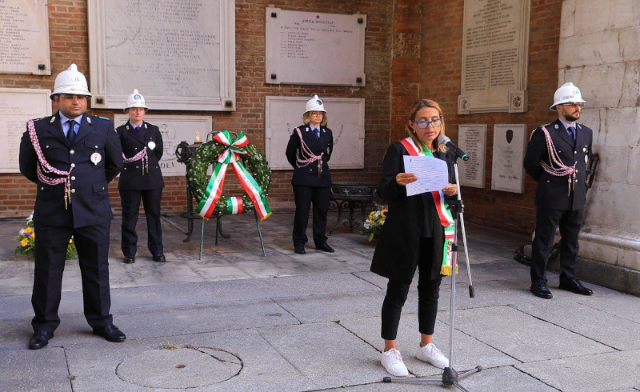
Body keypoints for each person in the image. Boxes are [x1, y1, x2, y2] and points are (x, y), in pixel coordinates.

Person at [18, 64, 125, 349]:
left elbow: (114, 164)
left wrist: (89, 187)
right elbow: (28, 167)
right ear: (57, 99)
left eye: (81, 96)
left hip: (93, 209)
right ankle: (44, 326)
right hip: (53, 211)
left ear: (87, 100)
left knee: (97, 269)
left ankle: (102, 321)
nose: (76, 101)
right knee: (48, 270)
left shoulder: (102, 127)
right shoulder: (38, 129)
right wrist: (59, 185)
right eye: (68, 96)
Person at [370, 99, 458, 377]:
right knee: (398, 289)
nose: (430, 125)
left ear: (441, 121)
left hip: (437, 230)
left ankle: (426, 345)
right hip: (406, 230)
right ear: (412, 124)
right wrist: (396, 181)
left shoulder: (446, 152)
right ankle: (390, 349)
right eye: (423, 120)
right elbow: (382, 190)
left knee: (431, 289)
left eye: (435, 119)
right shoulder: (399, 149)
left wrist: (455, 191)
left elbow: (450, 193)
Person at [523, 82, 594, 299]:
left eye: (579, 104)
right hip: (552, 195)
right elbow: (531, 164)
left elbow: (583, 161)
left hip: (576, 196)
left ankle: (568, 278)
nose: (577, 108)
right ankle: (538, 281)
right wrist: (551, 181)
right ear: (559, 107)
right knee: (544, 240)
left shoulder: (586, 132)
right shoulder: (545, 133)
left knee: (571, 240)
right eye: (572, 104)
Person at [117, 89, 165, 264]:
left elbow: (157, 153)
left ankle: (157, 250)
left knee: (154, 216)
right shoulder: (120, 132)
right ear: (128, 111)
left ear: (145, 111)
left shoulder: (153, 130)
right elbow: (117, 156)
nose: (137, 112)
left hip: (151, 179)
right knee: (129, 217)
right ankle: (129, 252)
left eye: (141, 109)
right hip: (131, 180)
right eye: (134, 108)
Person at [285, 95, 334, 254]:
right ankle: (299, 242)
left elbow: (327, 154)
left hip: (322, 178)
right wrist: (302, 167)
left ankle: (320, 241)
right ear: (308, 116)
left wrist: (317, 164)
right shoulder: (299, 131)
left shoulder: (327, 132)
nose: (318, 116)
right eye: (314, 113)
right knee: (302, 211)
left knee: (321, 211)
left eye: (320, 113)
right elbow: (290, 152)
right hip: (304, 178)